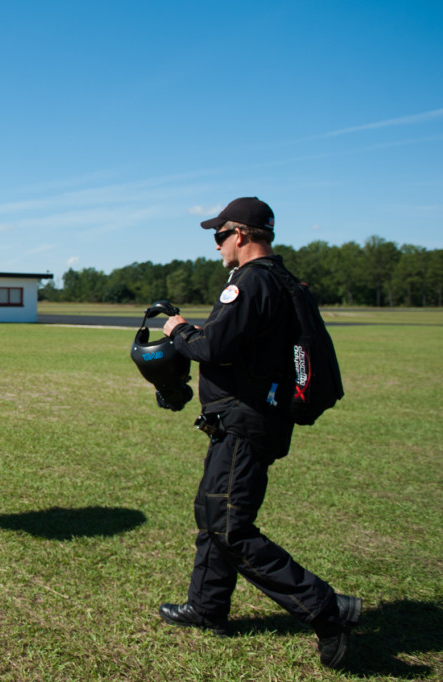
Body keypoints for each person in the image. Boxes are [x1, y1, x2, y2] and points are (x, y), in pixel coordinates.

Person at [157, 198, 361, 669]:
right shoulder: (282, 281)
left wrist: (178, 328)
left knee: (229, 526)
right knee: (214, 513)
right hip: (254, 418)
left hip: (246, 419)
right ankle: (206, 607)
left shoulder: (251, 282)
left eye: (219, 235)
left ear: (242, 234)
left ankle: (327, 609)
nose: (216, 245)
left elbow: (213, 345)